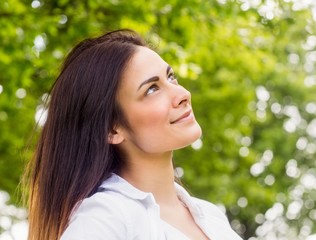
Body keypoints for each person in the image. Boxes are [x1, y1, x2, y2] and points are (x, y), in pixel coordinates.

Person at [24, 29, 242, 240]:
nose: (183, 94)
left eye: (171, 77)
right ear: (112, 129)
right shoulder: (107, 218)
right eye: (152, 89)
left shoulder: (211, 216)